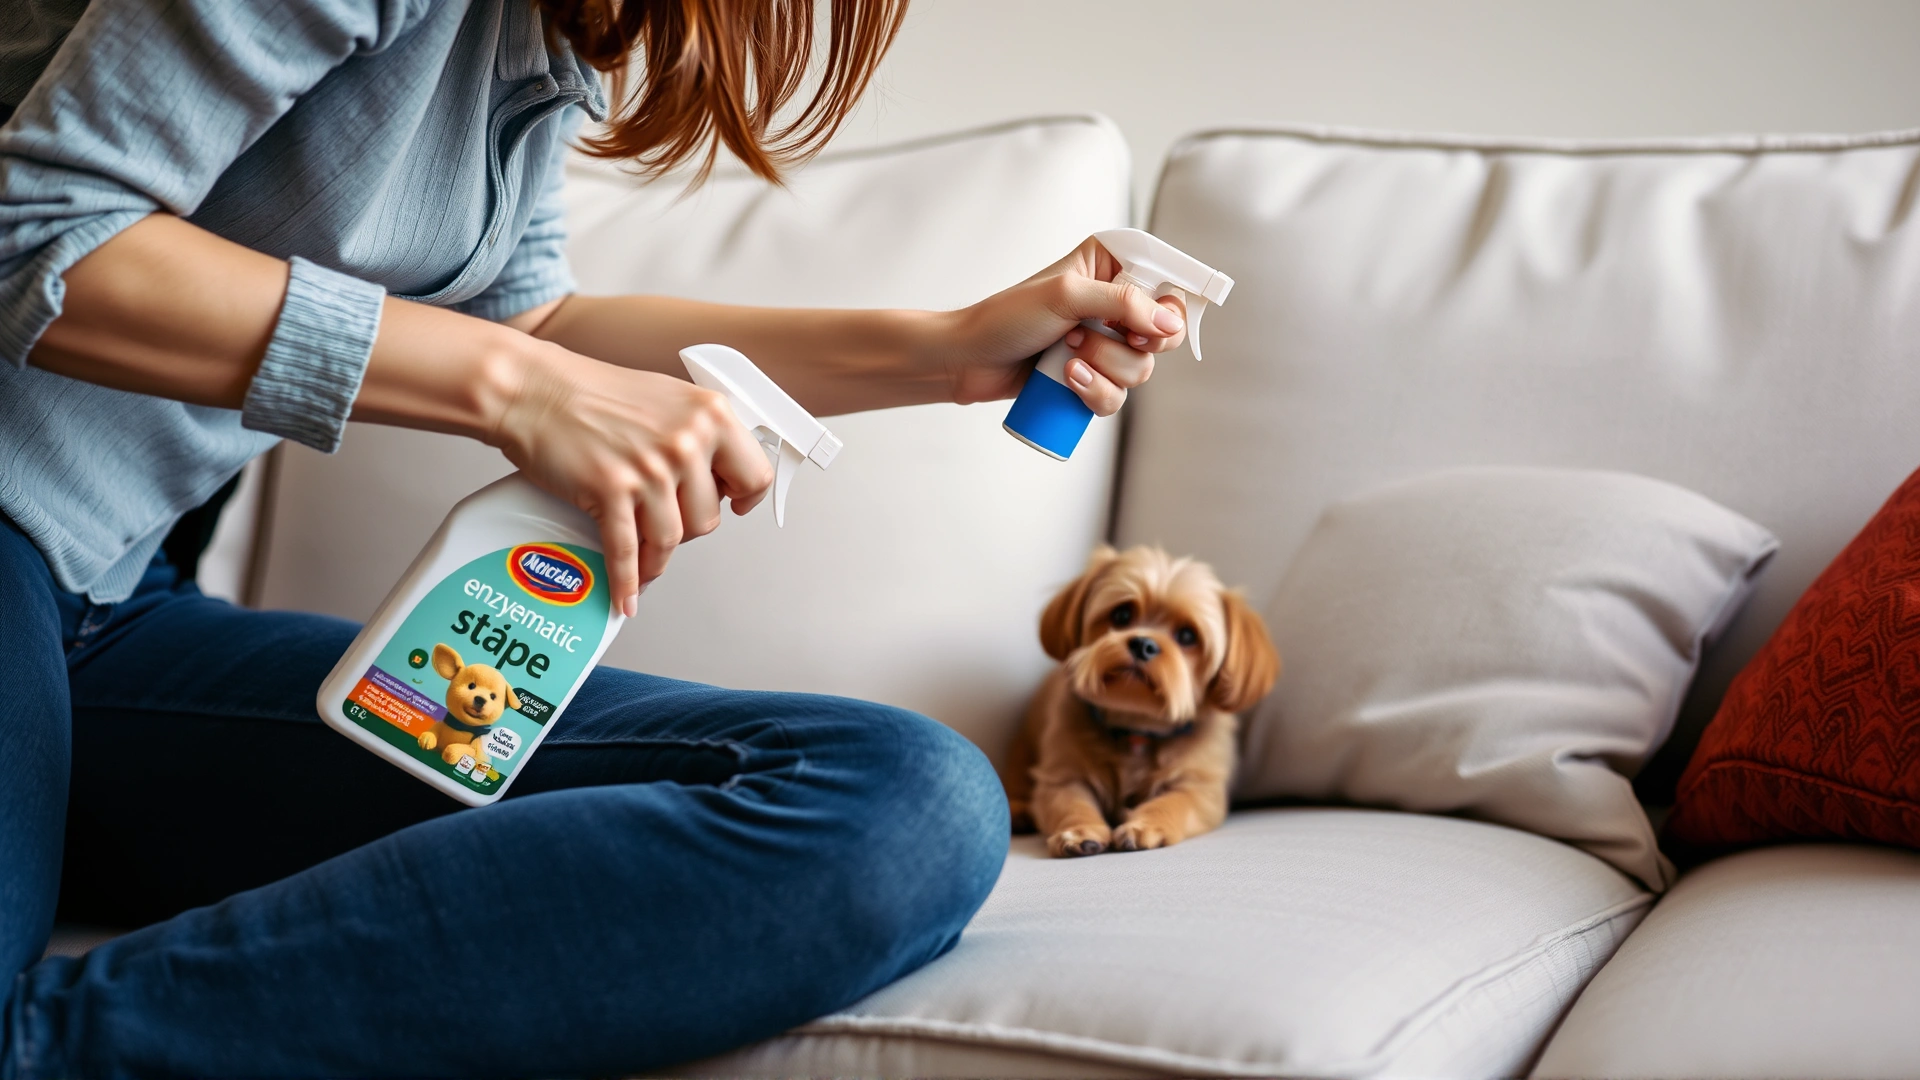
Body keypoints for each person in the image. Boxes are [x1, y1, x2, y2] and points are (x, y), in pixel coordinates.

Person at [0, 0, 1190, 1073]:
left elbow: (538, 319)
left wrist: (950, 348)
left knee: (899, 801)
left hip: (106, 614)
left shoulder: (551, 32)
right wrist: (518, 389)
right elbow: (41, 229)